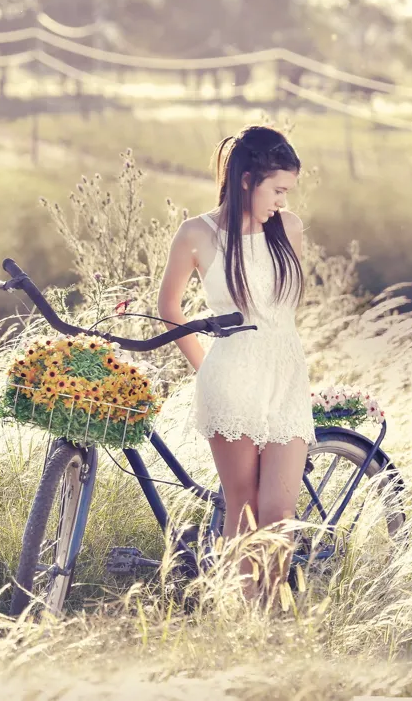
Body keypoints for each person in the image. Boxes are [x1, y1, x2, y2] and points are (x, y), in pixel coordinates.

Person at [155, 124, 310, 603]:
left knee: (280, 510)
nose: (282, 200)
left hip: (285, 373)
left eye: (288, 191)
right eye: (277, 189)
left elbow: (286, 308)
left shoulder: (289, 229)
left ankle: (268, 616)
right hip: (230, 375)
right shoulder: (197, 233)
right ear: (247, 180)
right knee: (242, 503)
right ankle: (243, 618)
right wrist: (208, 370)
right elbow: (170, 309)